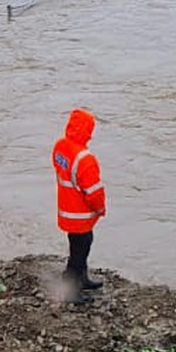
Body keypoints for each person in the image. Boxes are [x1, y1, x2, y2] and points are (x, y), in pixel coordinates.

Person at [51, 107, 106, 304]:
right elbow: (94, 192)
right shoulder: (85, 159)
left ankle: (82, 279)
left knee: (78, 245)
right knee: (80, 250)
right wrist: (100, 209)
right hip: (81, 215)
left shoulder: (60, 146)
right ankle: (71, 289)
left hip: (66, 210)